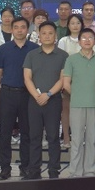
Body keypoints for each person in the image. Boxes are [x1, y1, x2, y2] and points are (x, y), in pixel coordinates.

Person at [0, 15, 36, 180]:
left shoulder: (34, 49)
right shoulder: (4, 48)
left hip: (27, 95)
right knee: (5, 133)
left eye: (22, 27)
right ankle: (5, 168)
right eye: (16, 27)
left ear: (27, 29)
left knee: (27, 133)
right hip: (7, 94)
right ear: (11, 29)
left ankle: (25, 167)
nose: (19, 30)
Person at [23, 21, 69, 179]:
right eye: (44, 33)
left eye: (50, 33)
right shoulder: (31, 55)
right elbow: (27, 78)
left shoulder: (63, 55)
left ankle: (54, 170)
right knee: (34, 136)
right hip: (34, 101)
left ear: (55, 35)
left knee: (53, 136)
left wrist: (48, 94)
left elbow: (62, 79)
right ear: (39, 36)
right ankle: (34, 170)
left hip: (53, 101)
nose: (47, 36)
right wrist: (37, 96)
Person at [62, 27, 95, 177]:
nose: (87, 40)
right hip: (76, 104)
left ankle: (90, 170)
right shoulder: (71, 59)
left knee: (92, 139)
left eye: (90, 38)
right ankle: (75, 171)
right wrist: (77, 95)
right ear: (79, 42)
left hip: (94, 105)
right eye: (84, 38)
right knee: (77, 140)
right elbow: (66, 83)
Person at [57, 13, 84, 148]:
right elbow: (61, 62)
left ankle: (79, 137)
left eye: (78, 23)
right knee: (66, 110)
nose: (75, 26)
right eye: (72, 23)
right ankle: (66, 137)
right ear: (68, 25)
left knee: (81, 111)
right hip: (67, 79)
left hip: (83, 80)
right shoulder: (63, 41)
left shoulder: (86, 39)